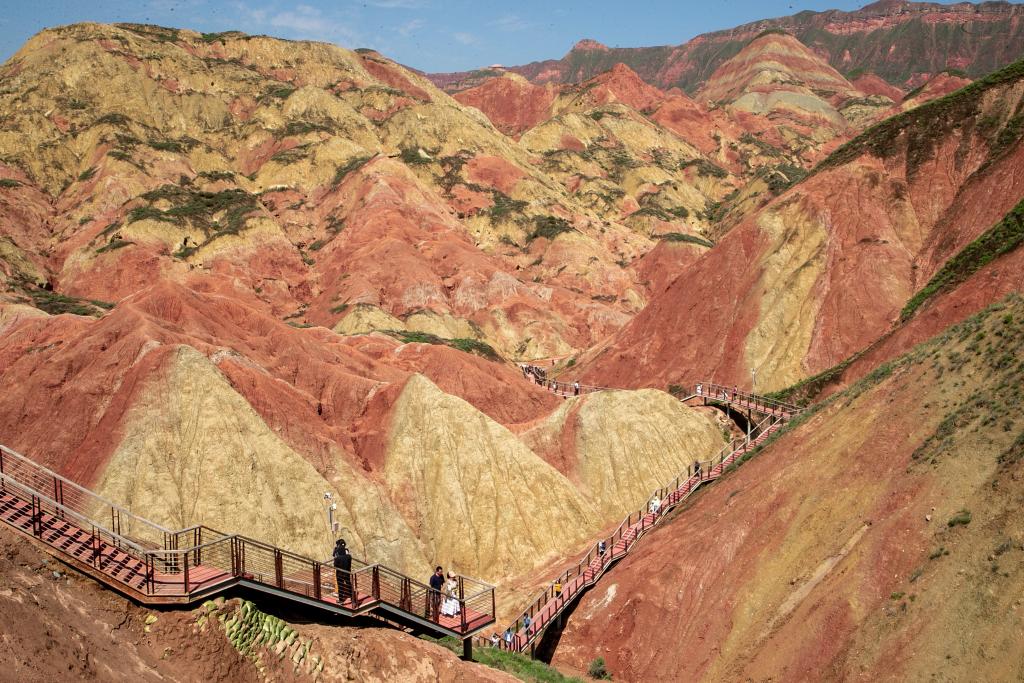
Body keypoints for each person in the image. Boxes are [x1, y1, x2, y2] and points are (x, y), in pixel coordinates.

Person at [333, 539, 353, 603]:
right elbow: (349, 563)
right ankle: (352, 597)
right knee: (348, 584)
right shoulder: (349, 557)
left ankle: (341, 600)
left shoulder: (337, 558)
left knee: (340, 586)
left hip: (340, 574)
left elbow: (335, 566)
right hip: (347, 572)